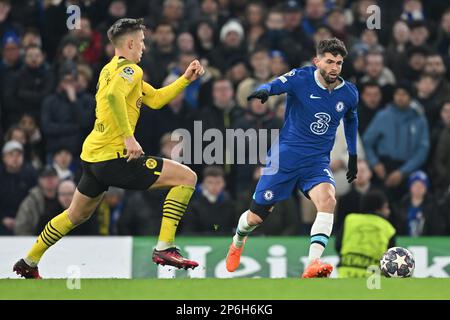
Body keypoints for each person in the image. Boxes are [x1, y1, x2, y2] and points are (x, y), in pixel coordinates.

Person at [13, 18, 205, 279]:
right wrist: (128, 138)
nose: (144, 48)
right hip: (115, 157)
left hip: (93, 157)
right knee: (187, 178)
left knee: (74, 214)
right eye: (142, 42)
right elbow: (115, 97)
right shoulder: (131, 72)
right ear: (130, 43)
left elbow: (157, 100)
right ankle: (165, 247)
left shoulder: (109, 70)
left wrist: (185, 79)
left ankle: (29, 260)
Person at [225, 38, 359, 278]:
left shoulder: (348, 93)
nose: (334, 67)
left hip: (316, 161)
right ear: (317, 61)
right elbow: (279, 83)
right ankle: (238, 240)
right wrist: (266, 90)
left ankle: (313, 263)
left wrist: (353, 155)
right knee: (255, 217)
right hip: (284, 158)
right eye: (329, 61)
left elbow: (351, 120)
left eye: (338, 63)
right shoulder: (302, 77)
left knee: (328, 200)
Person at [335, 190, 396, 278]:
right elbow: (391, 260)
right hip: (373, 279)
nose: (388, 211)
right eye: (386, 207)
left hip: (346, 273)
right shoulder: (388, 228)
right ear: (379, 208)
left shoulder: (349, 220)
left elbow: (338, 246)